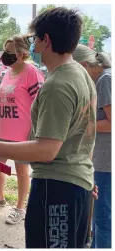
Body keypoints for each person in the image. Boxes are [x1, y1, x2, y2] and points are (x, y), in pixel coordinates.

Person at [0, 7, 97, 248]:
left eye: (35, 39)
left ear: (46, 41)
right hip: (77, 182)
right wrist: (85, 176)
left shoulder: (57, 84)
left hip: (56, 188)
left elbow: (46, 151)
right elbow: (83, 134)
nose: (33, 45)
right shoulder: (81, 73)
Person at [0, 35, 44, 225]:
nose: (4, 55)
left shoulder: (31, 72)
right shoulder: (8, 73)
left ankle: (20, 208)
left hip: (22, 133)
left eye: (8, 52)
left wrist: (35, 130)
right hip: (3, 130)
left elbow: (40, 105)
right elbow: (4, 100)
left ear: (20, 54)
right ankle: (0, 197)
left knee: (21, 170)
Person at [73, 44, 112, 248]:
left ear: (83, 65)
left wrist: (80, 124)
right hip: (100, 158)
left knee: (103, 217)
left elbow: (111, 121)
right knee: (99, 214)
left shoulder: (106, 80)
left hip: (106, 161)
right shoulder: (102, 78)